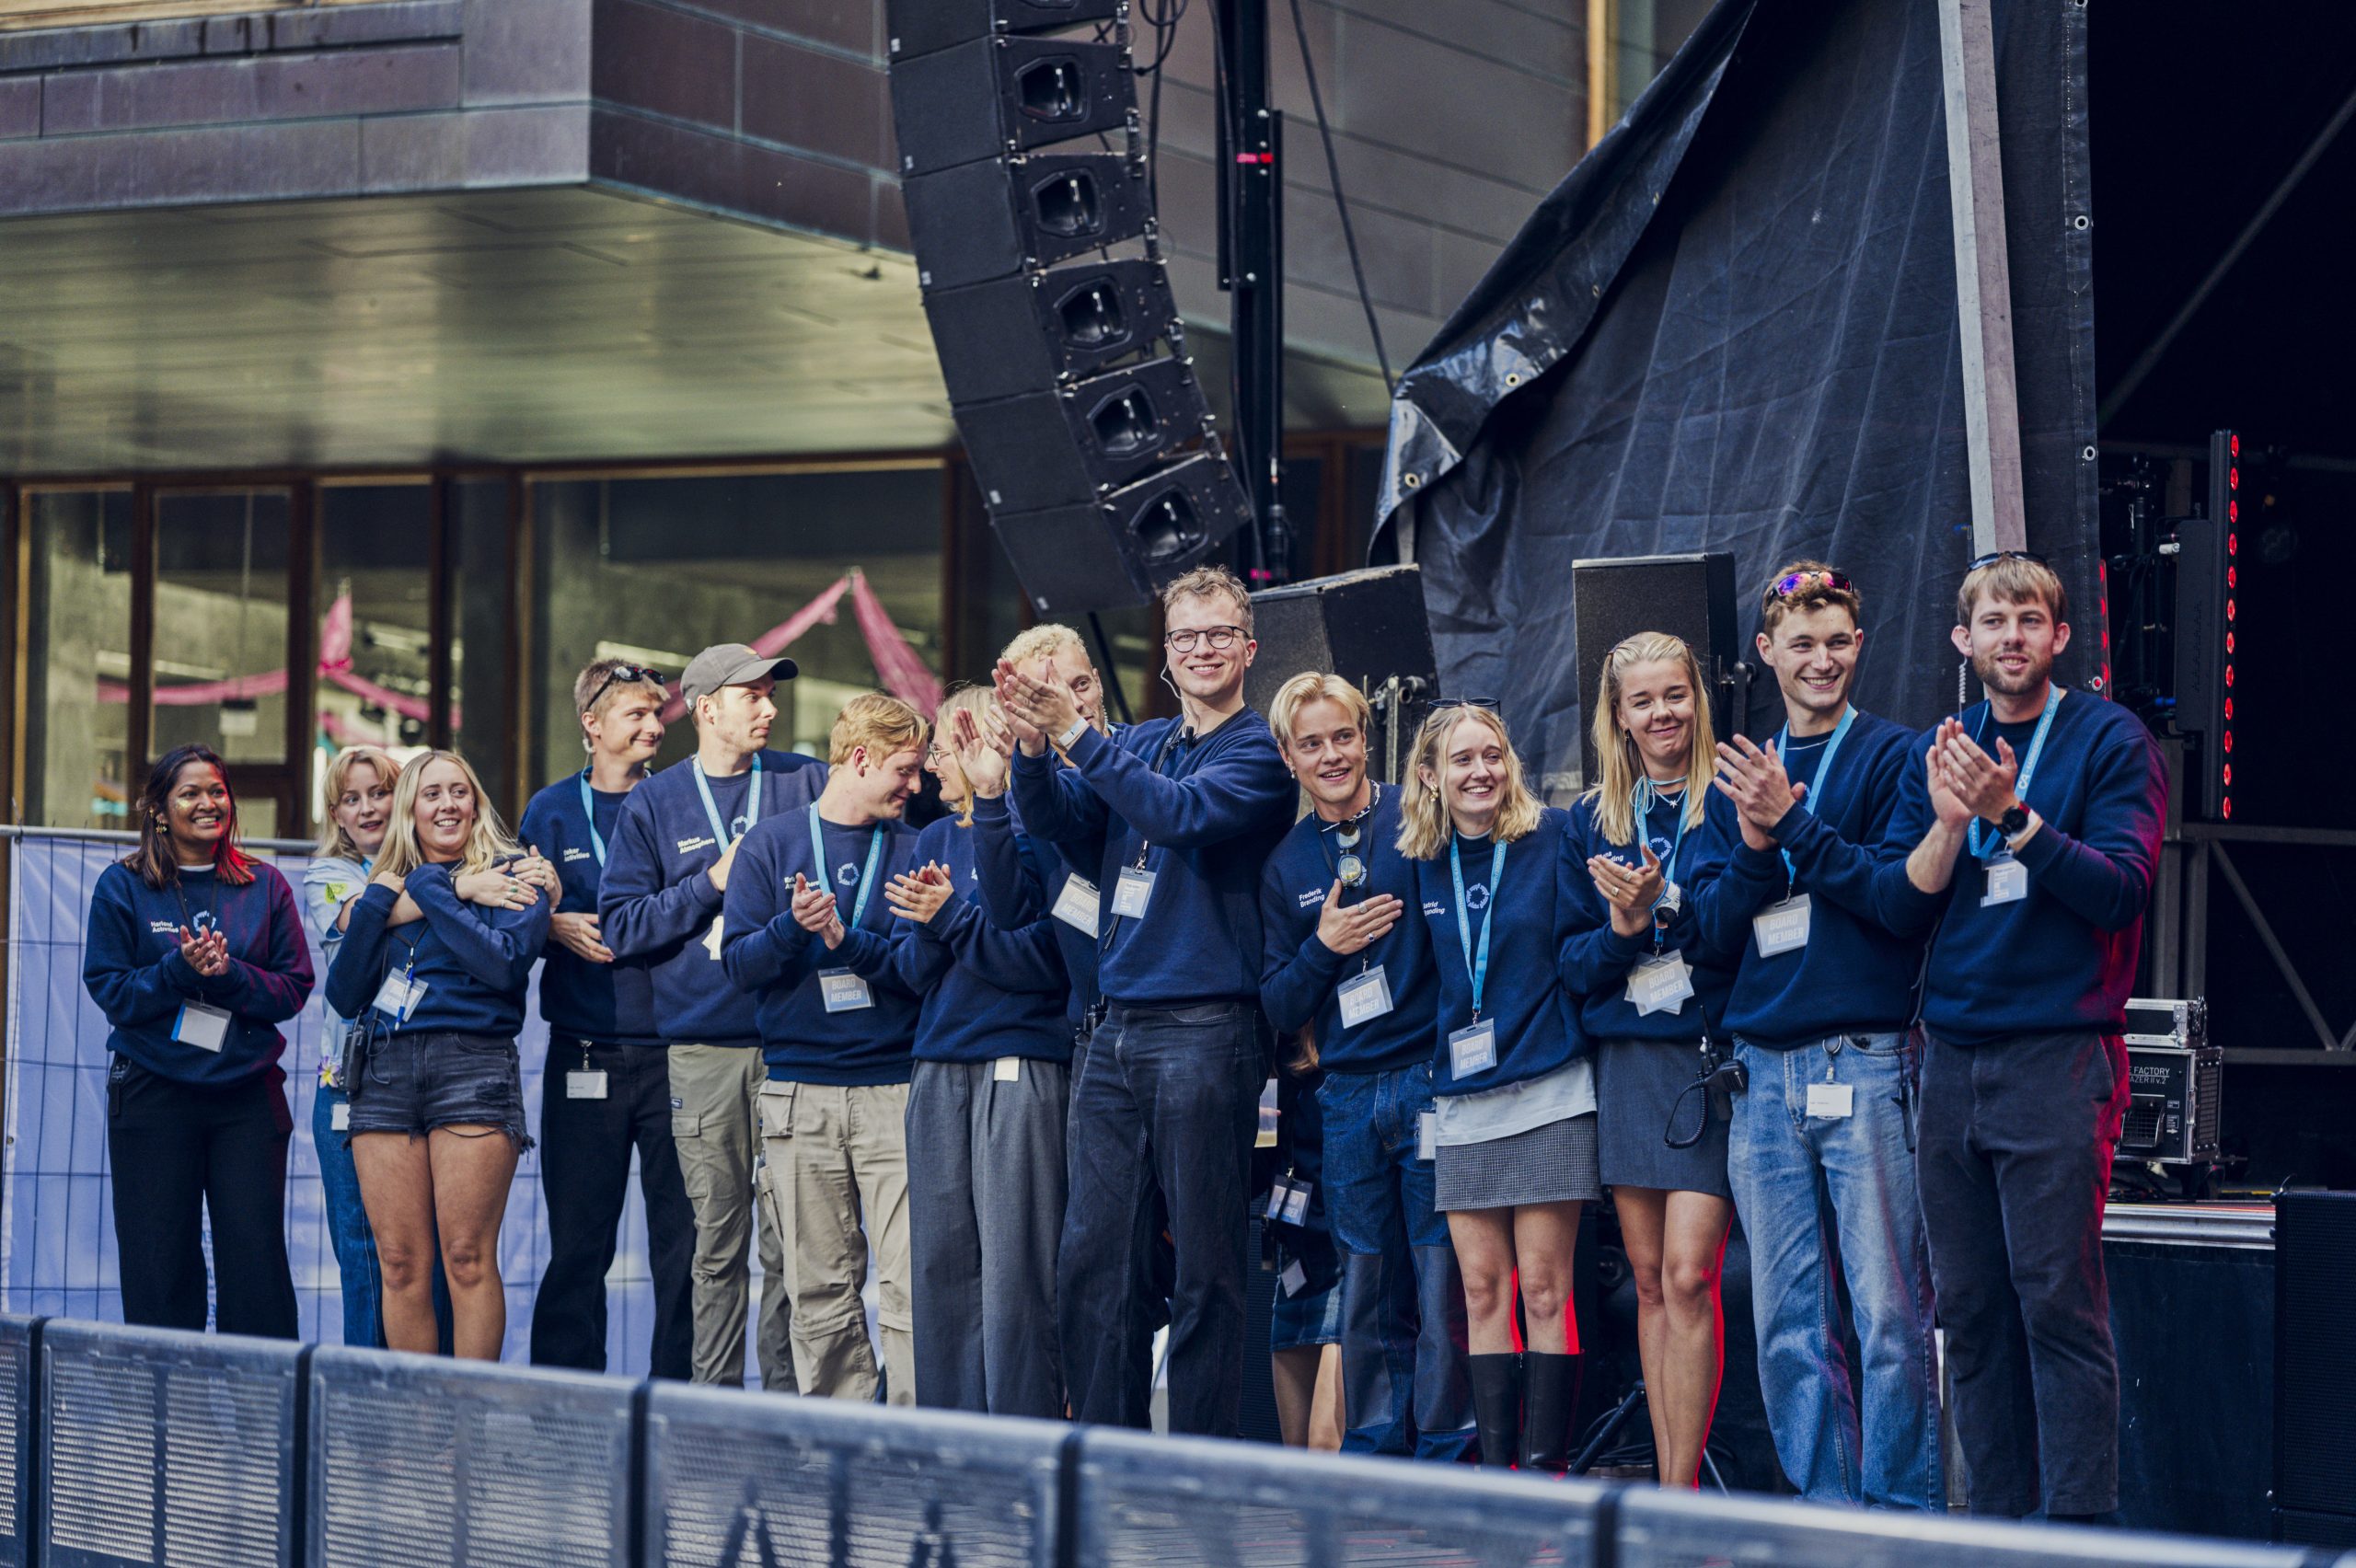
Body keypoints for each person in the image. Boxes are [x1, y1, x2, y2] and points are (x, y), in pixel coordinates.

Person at [1878, 552, 2164, 1524]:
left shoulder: (2109, 739)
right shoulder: (1944, 748)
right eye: (1993, 622)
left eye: (2029, 620)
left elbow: (2121, 890)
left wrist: (2014, 818)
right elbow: (1901, 910)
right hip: (1950, 1060)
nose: (2012, 637)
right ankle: (1993, 1529)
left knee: (2056, 1304)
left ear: (2060, 636)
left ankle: (2077, 1533)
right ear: (1963, 640)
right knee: (1968, 1310)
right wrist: (1948, 827)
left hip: (2057, 1055)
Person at [995, 564, 1297, 1436]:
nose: (1201, 649)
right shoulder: (1150, 741)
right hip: (1115, 1032)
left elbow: (1177, 816)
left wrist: (1077, 733)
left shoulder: (1258, 753)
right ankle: (1106, 1457)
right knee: (1093, 1266)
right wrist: (1031, 749)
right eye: (1184, 636)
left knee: (1205, 1269)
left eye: (1218, 634)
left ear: (1248, 649)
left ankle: (1195, 1469)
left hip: (1207, 1030)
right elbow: (1061, 825)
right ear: (1165, 653)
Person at [1703, 564, 1944, 1509]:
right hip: (1760, 1073)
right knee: (1785, 1324)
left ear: (1859, 645)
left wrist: (1793, 822)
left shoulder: (1897, 755)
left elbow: (1895, 902)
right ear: (1766, 652)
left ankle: (1902, 1517)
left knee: (1887, 1314)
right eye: (1801, 643)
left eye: (1837, 641)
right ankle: (1825, 1515)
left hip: (1866, 1060)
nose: (1821, 659)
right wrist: (1757, 845)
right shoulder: (1740, 768)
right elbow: (1716, 934)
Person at [1257, 673, 1475, 1461]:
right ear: (1288, 757)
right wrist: (1325, 947)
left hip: (1428, 1082)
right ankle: (1377, 1457)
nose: (1331, 755)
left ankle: (1447, 1453)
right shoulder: (1284, 863)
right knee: (1367, 1285)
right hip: (1346, 1098)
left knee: (1441, 1280)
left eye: (1343, 736)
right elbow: (1279, 1003)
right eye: (1311, 744)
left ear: (1367, 737)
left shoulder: (1420, 815)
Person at [599, 642, 825, 1388]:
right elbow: (622, 926)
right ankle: (713, 1409)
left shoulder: (805, 781)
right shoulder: (654, 803)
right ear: (705, 710)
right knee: (716, 1246)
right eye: (751, 696)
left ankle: (787, 1403)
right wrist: (712, 883)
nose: (769, 709)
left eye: (770, 695)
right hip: (702, 1049)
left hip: (795, 1046)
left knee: (795, 1246)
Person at [1399, 702, 1598, 1471]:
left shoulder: (1552, 837)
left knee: (1544, 1291)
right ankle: (1498, 1479)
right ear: (1430, 777)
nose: (1481, 771)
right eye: (1462, 760)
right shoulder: (1423, 859)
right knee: (1482, 1293)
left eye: (1492, 755)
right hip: (1464, 1105)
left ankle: (1543, 1481)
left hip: (1549, 1093)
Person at [1563, 632, 1739, 1488]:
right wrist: (1623, 929)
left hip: (1704, 1065)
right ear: (1618, 715)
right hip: (1629, 1063)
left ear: (1697, 699)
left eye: (1675, 694)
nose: (1662, 713)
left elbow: (1740, 934)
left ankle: (1681, 1490)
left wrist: (1665, 901)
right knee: (1647, 1281)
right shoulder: (1589, 821)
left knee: (1689, 1274)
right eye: (1643, 700)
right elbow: (1572, 964)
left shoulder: (1731, 800)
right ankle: (1671, 1487)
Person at [721, 693, 929, 1402]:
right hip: (798, 1092)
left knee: (909, 1286)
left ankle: (912, 1438)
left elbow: (918, 971)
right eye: (904, 770)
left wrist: (846, 940)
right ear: (861, 759)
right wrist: (792, 929)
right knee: (818, 1292)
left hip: (895, 1089)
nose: (916, 785)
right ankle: (841, 1442)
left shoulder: (914, 848)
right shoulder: (770, 844)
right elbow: (738, 966)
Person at [324, 750, 552, 1358]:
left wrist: (431, 885)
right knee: (399, 1263)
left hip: (473, 1069)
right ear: (410, 810)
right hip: (383, 1073)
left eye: (459, 791)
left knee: (467, 1258)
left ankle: (471, 1412)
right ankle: (415, 1413)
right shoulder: (384, 889)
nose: (447, 804)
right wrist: (394, 896)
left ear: (476, 804)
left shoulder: (516, 876)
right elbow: (344, 994)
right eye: (432, 794)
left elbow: (502, 967)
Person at [886, 685, 1071, 1418]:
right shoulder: (932, 839)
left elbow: (1038, 960)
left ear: (981, 741)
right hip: (937, 1067)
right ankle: (951, 1445)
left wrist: (954, 920)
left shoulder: (1046, 826)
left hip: (1020, 1066)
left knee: (1014, 1276)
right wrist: (937, 925)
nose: (931, 765)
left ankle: (1021, 1444)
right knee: (939, 1270)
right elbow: (911, 970)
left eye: (941, 748)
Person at [83, 744, 311, 1337]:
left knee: (256, 1267)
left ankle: (262, 1396)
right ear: (159, 810)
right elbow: (111, 991)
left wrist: (230, 975)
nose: (209, 803)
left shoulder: (265, 885)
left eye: (217, 790)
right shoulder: (123, 886)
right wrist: (177, 971)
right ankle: (170, 1397)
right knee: (159, 1267)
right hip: (152, 1094)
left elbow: (292, 989)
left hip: (246, 1098)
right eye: (190, 793)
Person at [520, 659, 695, 1378]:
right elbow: (514, 920)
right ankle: (569, 1402)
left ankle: (677, 1400)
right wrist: (551, 924)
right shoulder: (550, 810)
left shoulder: (680, 801)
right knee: (577, 1243)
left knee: (682, 1247)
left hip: (675, 1051)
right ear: (591, 724)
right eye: (637, 714)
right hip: (584, 1050)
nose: (655, 726)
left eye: (658, 714)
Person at [305, 744, 453, 1349]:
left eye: (380, 793)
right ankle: (364, 1394)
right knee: (365, 1253)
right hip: (348, 1082)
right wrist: (461, 887)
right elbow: (360, 919)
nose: (367, 808)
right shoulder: (327, 875)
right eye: (351, 799)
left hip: (425, 1078)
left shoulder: (437, 862)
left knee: (432, 1251)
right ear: (336, 815)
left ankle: (432, 1391)